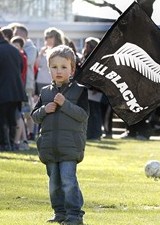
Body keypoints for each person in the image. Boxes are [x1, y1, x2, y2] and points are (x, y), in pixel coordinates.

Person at [31, 45, 89, 225]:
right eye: (54, 67)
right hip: (49, 145)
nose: (59, 71)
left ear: (72, 69)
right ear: (49, 69)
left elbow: (83, 115)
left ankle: (74, 214)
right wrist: (44, 109)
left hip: (70, 145)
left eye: (64, 67)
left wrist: (65, 104)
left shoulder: (80, 90)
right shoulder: (45, 92)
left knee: (68, 180)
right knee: (54, 183)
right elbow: (34, 116)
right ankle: (59, 213)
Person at [0, 29, 27, 151]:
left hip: (3, 90)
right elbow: (21, 70)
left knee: (2, 119)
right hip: (16, 90)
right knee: (12, 119)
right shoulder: (14, 51)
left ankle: (4, 144)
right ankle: (11, 143)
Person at [12, 23, 38, 140]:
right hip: (18, 83)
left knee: (28, 111)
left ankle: (31, 132)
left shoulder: (31, 48)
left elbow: (28, 62)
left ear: (22, 34)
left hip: (27, 84)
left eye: (16, 33)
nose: (14, 35)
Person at [11, 35, 30, 150]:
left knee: (19, 115)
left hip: (19, 89)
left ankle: (18, 141)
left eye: (16, 46)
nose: (14, 48)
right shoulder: (20, 56)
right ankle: (23, 140)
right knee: (20, 116)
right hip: (19, 88)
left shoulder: (21, 56)